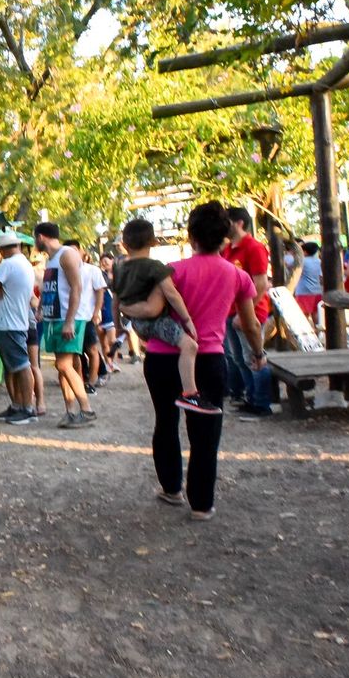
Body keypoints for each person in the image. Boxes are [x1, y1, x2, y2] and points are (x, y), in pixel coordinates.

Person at [141, 202, 265, 520]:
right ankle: (201, 504)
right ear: (224, 237)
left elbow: (151, 311)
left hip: (162, 359)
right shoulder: (237, 276)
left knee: (165, 423)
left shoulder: (172, 271)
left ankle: (171, 488)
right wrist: (258, 352)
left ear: (191, 236)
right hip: (209, 359)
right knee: (206, 433)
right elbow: (250, 324)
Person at [113, 219, 217, 414]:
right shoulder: (155, 267)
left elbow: (115, 301)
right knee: (190, 345)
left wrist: (119, 326)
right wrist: (187, 319)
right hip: (156, 323)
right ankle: (190, 393)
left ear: (125, 244)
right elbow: (171, 294)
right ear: (153, 242)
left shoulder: (119, 269)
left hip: (136, 324)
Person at [33, 222, 94, 428]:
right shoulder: (51, 259)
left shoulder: (67, 254)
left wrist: (70, 321)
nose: (34, 243)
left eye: (35, 239)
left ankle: (86, 409)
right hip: (54, 318)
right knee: (61, 368)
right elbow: (50, 288)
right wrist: (41, 308)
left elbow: (77, 288)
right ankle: (71, 411)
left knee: (64, 365)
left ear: (41, 237)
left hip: (67, 318)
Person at [220, 206, 274, 419]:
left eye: (227, 221)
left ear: (239, 223)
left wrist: (246, 315)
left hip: (250, 312)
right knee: (238, 358)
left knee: (253, 355)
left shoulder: (254, 247)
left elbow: (260, 284)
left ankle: (262, 404)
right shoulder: (227, 249)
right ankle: (250, 398)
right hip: (231, 312)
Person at [0, 231, 37, 424]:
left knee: (21, 365)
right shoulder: (25, 264)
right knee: (15, 366)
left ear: (3, 249)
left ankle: (27, 408)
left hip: (8, 323)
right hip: (15, 321)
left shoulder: (8, 264)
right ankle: (18, 406)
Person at [64, 240, 107, 394]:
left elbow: (100, 292)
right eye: (69, 251)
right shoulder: (63, 271)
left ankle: (92, 382)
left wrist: (96, 312)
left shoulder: (92, 270)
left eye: (75, 250)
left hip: (87, 317)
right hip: (69, 318)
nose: (72, 254)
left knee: (92, 350)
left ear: (82, 251)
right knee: (75, 353)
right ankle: (79, 381)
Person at [96, 254, 120, 381]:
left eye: (106, 261)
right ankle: (108, 363)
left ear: (112, 260)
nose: (104, 263)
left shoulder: (117, 275)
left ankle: (113, 362)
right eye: (102, 261)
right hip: (100, 314)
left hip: (110, 313)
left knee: (112, 340)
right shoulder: (100, 275)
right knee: (103, 343)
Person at [293, 241, 323, 325]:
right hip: (317, 291)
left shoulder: (302, 262)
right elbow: (321, 277)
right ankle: (319, 334)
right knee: (316, 313)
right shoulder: (319, 261)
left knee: (303, 315)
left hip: (303, 292)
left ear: (305, 251)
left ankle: (306, 335)